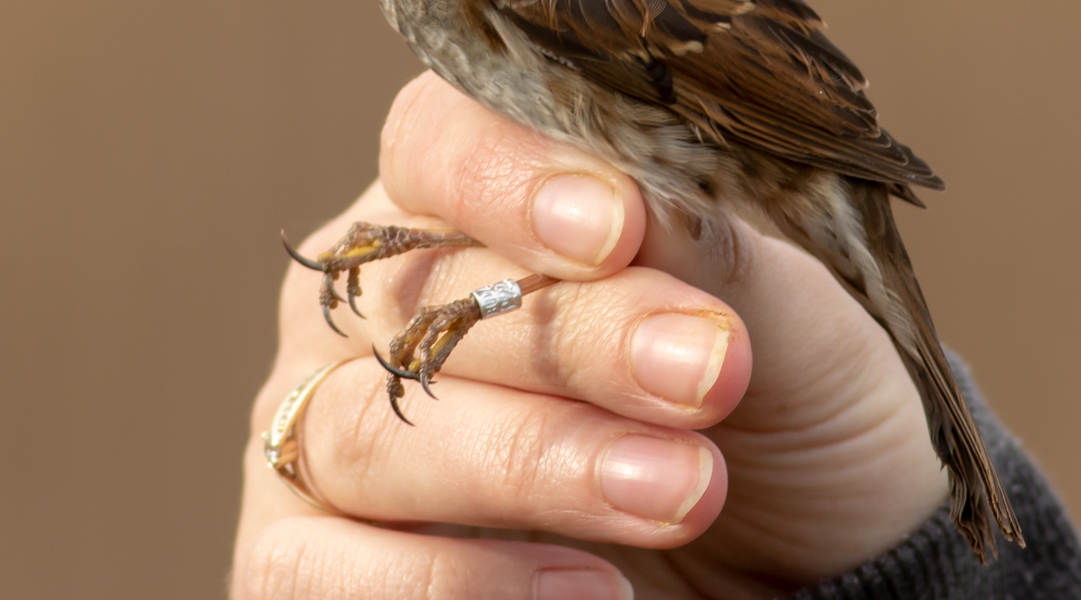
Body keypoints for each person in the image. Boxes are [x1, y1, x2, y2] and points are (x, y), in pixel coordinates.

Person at [232, 73, 1080, 600]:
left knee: (588, 228)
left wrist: (931, 576)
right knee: (569, 224)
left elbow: (622, 220)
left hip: (746, 140)